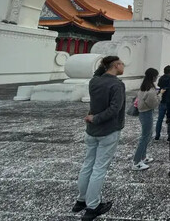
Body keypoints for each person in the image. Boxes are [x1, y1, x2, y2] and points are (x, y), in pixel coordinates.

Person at [72, 56, 125, 221]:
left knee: (88, 164)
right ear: (116, 65)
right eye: (121, 64)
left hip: (92, 131)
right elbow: (114, 109)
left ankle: (81, 200)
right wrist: (96, 118)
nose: (123, 66)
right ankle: (93, 205)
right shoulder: (117, 84)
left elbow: (97, 74)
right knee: (99, 169)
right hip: (107, 130)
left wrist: (93, 119)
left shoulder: (94, 81)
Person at [132, 68, 160, 171]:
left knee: (147, 135)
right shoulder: (151, 89)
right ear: (153, 76)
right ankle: (136, 161)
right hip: (147, 113)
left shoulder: (144, 86)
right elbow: (154, 104)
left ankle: (143, 157)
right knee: (144, 137)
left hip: (142, 112)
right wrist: (160, 95)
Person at [155, 65, 170, 141]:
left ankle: (157, 135)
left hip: (162, 100)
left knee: (159, 119)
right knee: (169, 120)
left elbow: (159, 85)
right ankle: (169, 136)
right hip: (169, 101)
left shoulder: (161, 78)